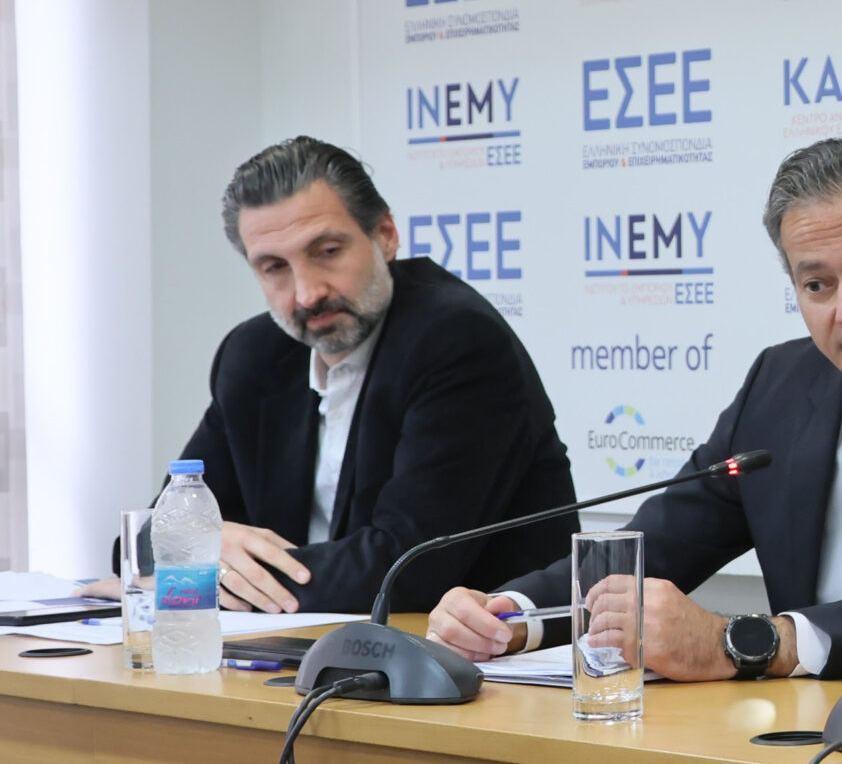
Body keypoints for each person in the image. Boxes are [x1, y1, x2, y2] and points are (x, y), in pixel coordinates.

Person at [428, 133, 842, 680]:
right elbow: (660, 543)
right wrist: (511, 615)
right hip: (801, 741)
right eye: (817, 285)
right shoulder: (781, 384)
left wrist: (754, 642)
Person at [149, 136, 575, 613]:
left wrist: (200, 569)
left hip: (467, 648)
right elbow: (146, 538)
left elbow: (405, 568)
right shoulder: (254, 354)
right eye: (274, 268)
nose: (307, 294)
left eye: (327, 251)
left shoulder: (457, 340)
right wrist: (203, 545)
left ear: (385, 236)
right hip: (295, 641)